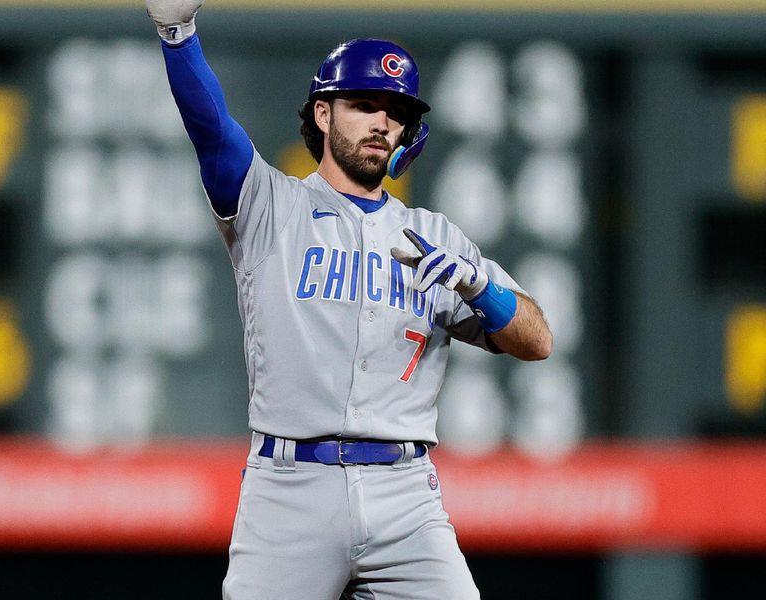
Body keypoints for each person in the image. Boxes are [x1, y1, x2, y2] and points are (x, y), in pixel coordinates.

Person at [146, 1, 553, 598]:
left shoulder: (437, 236)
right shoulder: (270, 206)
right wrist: (177, 36)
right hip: (289, 490)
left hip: (406, 494)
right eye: (364, 105)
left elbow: (538, 340)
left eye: (396, 112)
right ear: (322, 112)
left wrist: (478, 286)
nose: (382, 122)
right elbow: (211, 130)